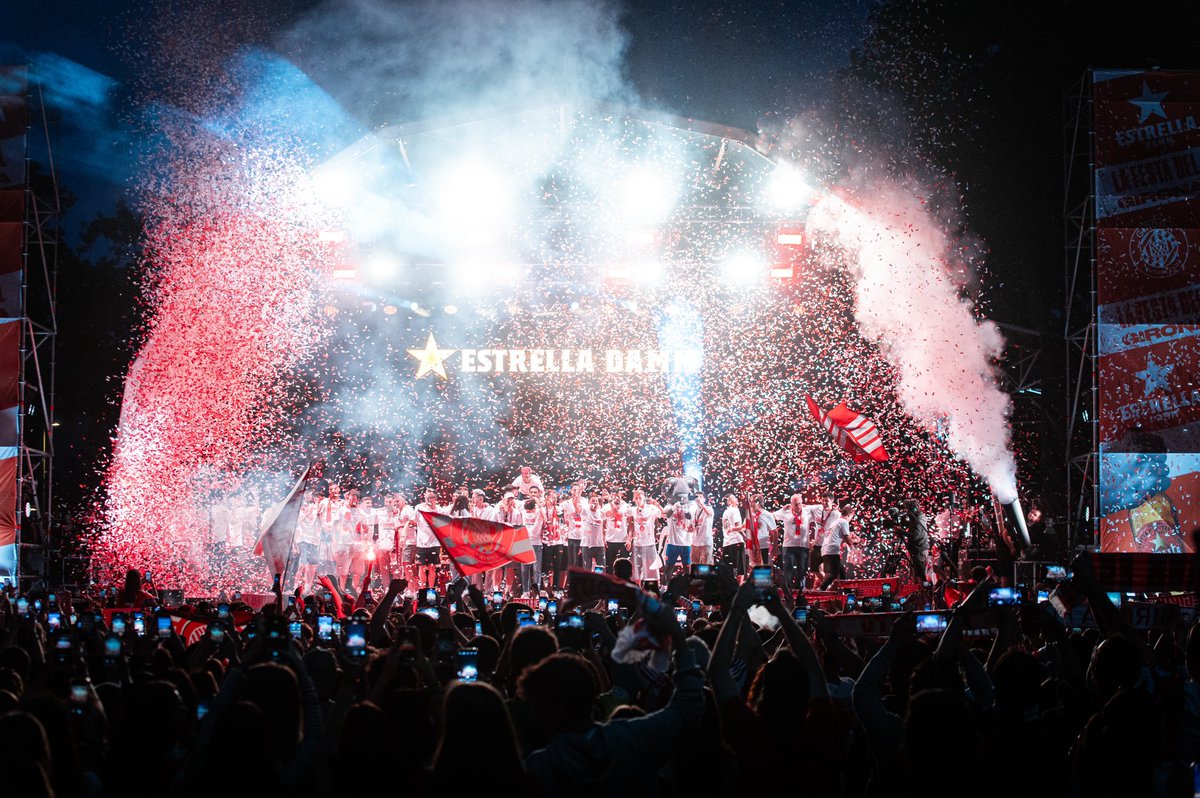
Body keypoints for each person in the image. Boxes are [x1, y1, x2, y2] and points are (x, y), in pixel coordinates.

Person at [774, 493, 811, 593]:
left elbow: (820, 510)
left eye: (799, 503)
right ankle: (787, 591)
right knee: (788, 568)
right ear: (791, 504)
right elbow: (773, 516)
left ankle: (800, 591)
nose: (798, 506)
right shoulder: (785, 512)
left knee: (802, 570)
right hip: (789, 546)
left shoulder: (807, 511)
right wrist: (782, 509)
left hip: (803, 546)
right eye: (795, 504)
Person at [626, 490, 662, 582]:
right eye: (636, 498)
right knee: (636, 570)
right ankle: (637, 588)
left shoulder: (651, 508)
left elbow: (663, 514)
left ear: (644, 498)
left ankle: (652, 589)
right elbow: (629, 523)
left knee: (651, 569)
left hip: (649, 543)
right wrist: (629, 538)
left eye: (640, 498)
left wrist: (657, 504)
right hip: (637, 543)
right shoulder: (632, 510)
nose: (638, 500)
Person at [413, 489, 444, 590]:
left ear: (435, 498)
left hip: (434, 543)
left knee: (432, 567)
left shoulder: (440, 510)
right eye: (426, 497)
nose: (428, 500)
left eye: (430, 497)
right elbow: (412, 521)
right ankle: (422, 589)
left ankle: (430, 590)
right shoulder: (419, 508)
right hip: (421, 543)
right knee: (421, 567)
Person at [818, 501, 849, 590]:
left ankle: (847, 591)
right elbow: (847, 538)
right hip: (832, 550)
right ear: (850, 514)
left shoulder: (836, 522)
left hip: (826, 549)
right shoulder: (844, 522)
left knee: (841, 570)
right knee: (833, 574)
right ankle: (821, 590)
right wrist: (854, 542)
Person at [661, 499, 694, 577]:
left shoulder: (691, 506)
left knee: (687, 568)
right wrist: (673, 508)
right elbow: (666, 515)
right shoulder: (669, 507)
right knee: (668, 568)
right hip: (673, 543)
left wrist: (684, 509)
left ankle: (687, 587)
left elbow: (689, 517)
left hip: (686, 543)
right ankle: (664, 587)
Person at [901, 498, 931, 582]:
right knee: (915, 575)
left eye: (908, 509)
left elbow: (915, 536)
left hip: (919, 550)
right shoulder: (915, 519)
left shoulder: (918, 520)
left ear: (913, 509)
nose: (906, 512)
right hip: (917, 550)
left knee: (919, 575)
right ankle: (918, 591)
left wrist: (902, 532)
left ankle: (923, 592)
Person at [602, 490, 630, 570]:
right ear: (611, 496)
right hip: (609, 541)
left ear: (621, 495)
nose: (617, 498)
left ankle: (623, 582)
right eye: (614, 495)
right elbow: (603, 525)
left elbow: (631, 524)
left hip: (623, 540)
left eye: (619, 495)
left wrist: (629, 538)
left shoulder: (626, 506)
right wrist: (603, 539)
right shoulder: (606, 507)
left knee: (623, 567)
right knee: (609, 567)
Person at [721, 495, 746, 576]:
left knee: (729, 570)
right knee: (739, 570)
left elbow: (726, 526)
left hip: (726, 542)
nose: (736, 498)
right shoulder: (734, 510)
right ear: (728, 502)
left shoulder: (725, 512)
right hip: (736, 541)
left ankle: (730, 587)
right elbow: (738, 527)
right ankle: (738, 588)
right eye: (733, 498)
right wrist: (745, 536)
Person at [690, 493, 714, 565]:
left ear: (704, 499)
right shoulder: (694, 511)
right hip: (695, 542)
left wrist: (702, 504)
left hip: (705, 542)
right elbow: (692, 527)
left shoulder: (709, 508)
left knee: (706, 566)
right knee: (694, 565)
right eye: (697, 497)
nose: (698, 498)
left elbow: (709, 513)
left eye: (700, 497)